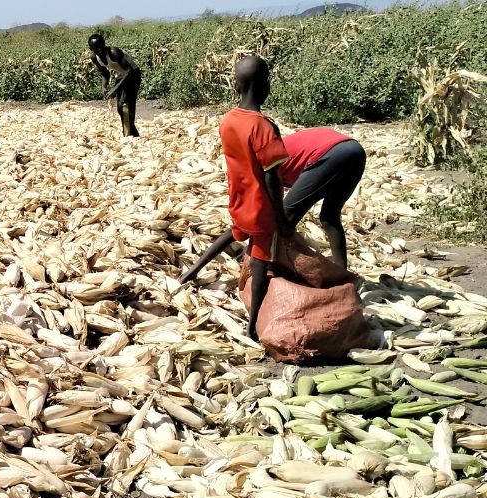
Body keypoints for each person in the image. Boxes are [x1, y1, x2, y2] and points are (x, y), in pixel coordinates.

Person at [178, 128, 366, 283]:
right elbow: (245, 226)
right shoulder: (270, 157)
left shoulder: (260, 171)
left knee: (284, 223)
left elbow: (247, 225)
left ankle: (280, 274)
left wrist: (196, 268)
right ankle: (344, 278)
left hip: (328, 155)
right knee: (329, 216)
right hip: (354, 150)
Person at [213, 56, 290, 341]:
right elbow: (272, 177)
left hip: (238, 200)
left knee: (234, 234)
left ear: (236, 85)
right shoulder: (263, 127)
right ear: (264, 85)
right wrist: (281, 218)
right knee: (260, 261)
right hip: (260, 208)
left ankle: (192, 272)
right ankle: (253, 322)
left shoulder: (229, 120)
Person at [88, 33, 142, 137]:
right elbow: (105, 74)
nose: (99, 50)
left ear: (104, 44)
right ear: (91, 49)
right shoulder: (95, 58)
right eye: (96, 48)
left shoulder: (113, 52)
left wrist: (114, 90)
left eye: (101, 46)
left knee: (127, 104)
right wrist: (104, 86)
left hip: (133, 74)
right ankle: (131, 132)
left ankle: (129, 133)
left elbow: (129, 71)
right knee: (119, 107)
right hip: (121, 75)